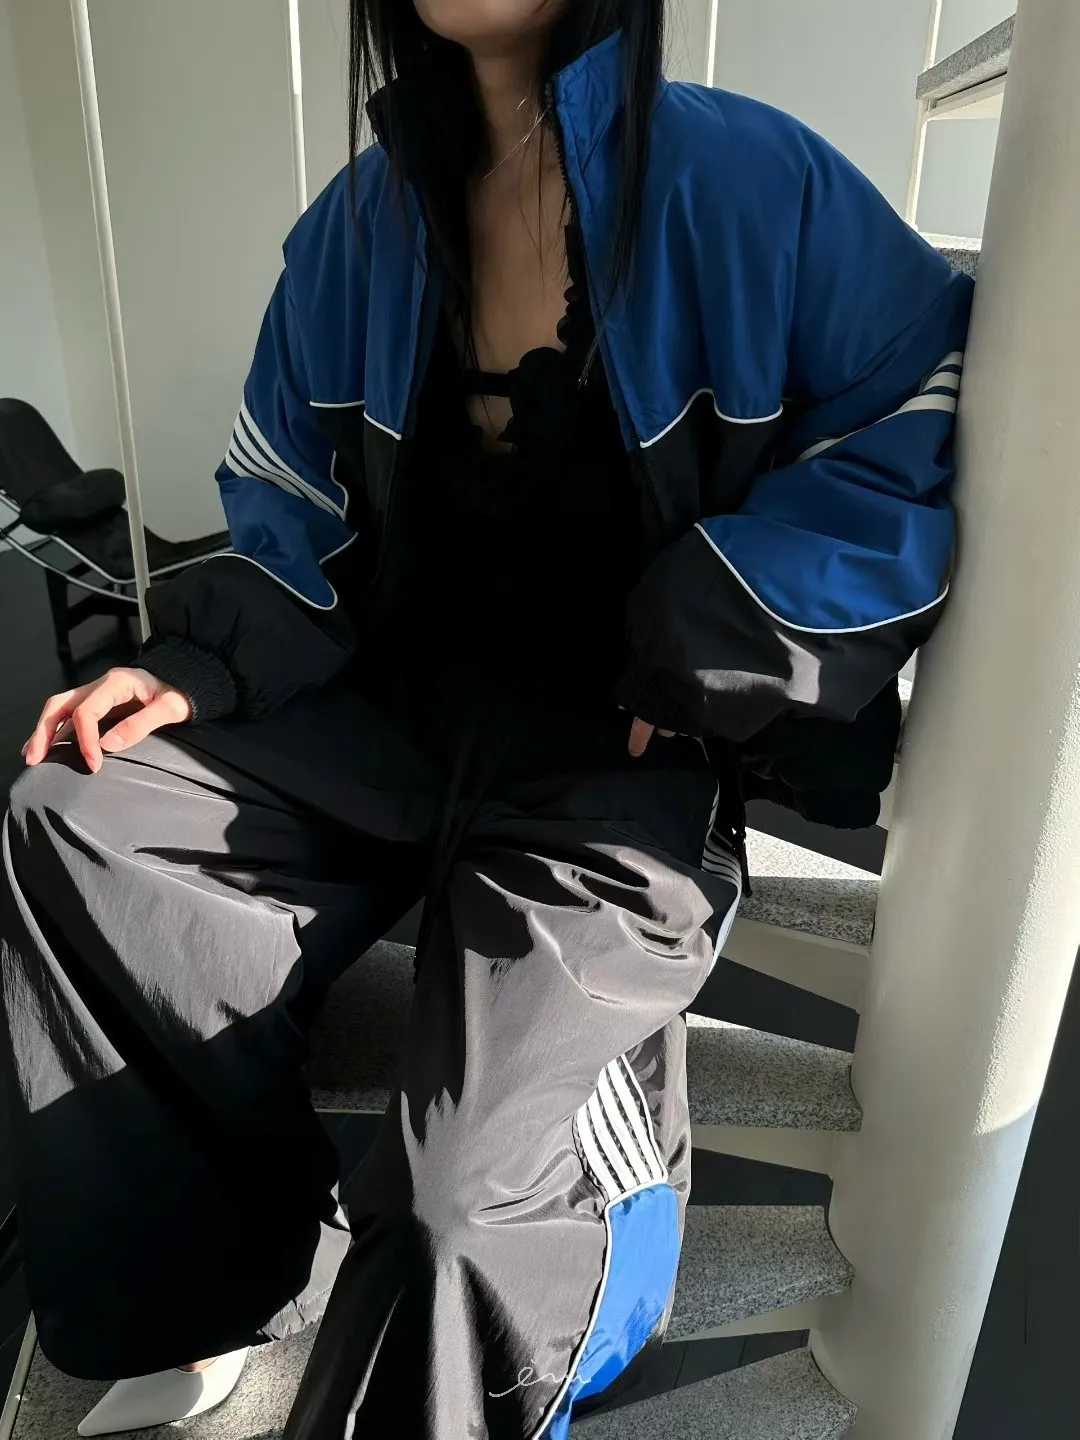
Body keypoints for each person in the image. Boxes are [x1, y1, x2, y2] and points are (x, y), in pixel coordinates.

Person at [0, 1, 973, 1436]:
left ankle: (535, 1330)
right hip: (382, 715)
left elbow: (913, 410)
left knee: (468, 1187)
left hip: (618, 750)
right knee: (83, 814)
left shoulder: (754, 183)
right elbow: (283, 485)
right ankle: (201, 1296)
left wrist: (713, 645)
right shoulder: (361, 222)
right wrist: (198, 664)